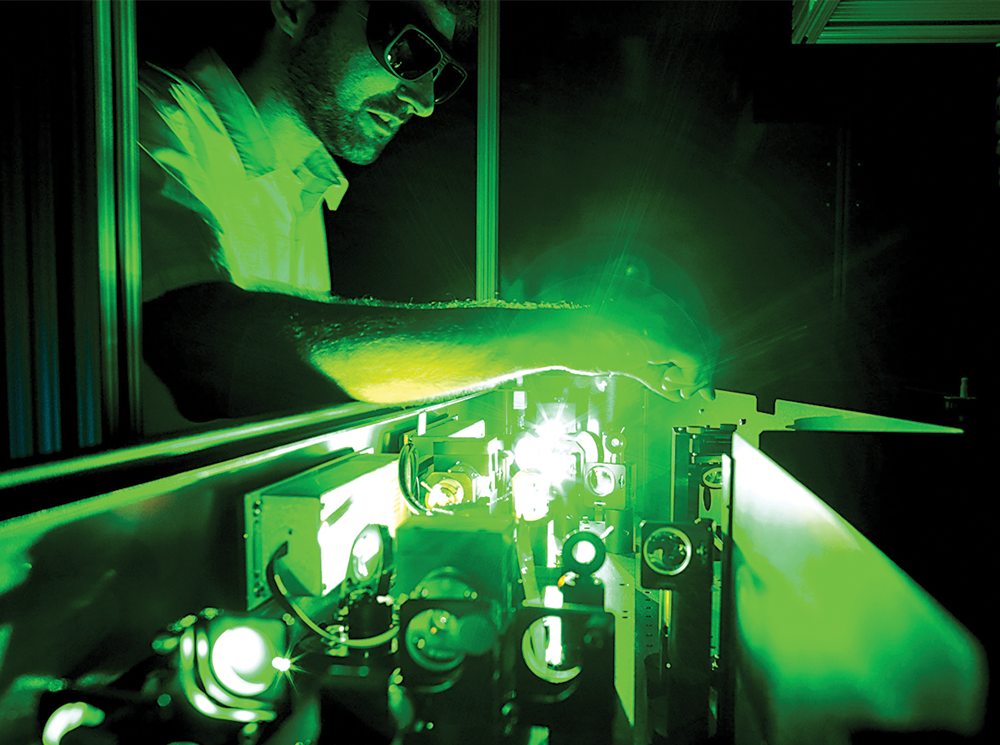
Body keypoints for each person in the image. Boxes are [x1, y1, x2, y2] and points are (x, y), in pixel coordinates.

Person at [139, 0, 716, 431]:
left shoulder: (303, 190)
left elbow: (294, 388)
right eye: (407, 50)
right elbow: (206, 355)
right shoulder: (157, 120)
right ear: (296, 6)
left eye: (441, 75)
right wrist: (566, 336)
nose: (421, 99)